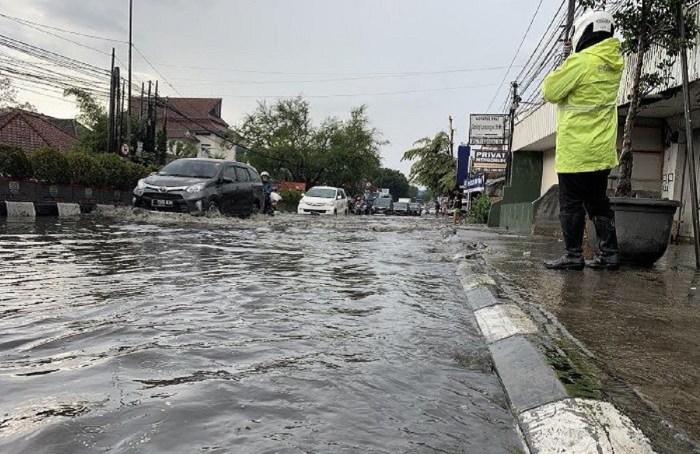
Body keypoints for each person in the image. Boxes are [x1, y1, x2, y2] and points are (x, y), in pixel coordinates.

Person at [542, 10, 623, 271]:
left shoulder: (580, 62)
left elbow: (551, 91)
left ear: (584, 32)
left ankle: (573, 255)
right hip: (601, 150)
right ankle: (610, 255)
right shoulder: (613, 64)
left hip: (576, 149)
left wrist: (567, 60)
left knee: (571, 204)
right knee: (599, 202)